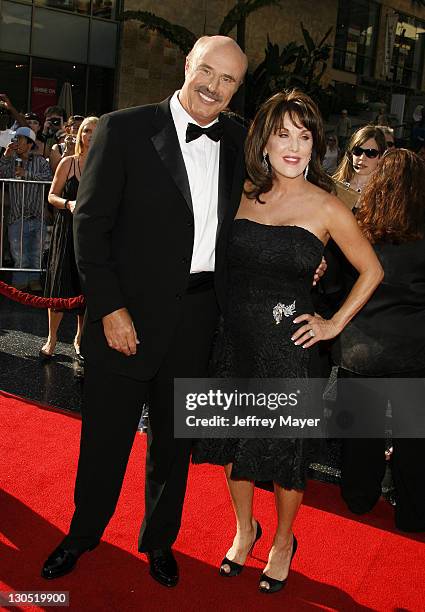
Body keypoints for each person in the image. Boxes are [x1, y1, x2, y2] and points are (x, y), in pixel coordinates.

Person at [40, 35, 251, 587]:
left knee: (173, 444)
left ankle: (159, 541)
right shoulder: (124, 127)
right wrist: (109, 309)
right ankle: (83, 534)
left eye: (228, 80)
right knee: (105, 436)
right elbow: (90, 226)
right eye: (208, 71)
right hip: (124, 315)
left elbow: (273, 200)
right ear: (188, 65)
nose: (214, 86)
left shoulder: (237, 138)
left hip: (201, 314)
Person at [193, 90, 383, 593]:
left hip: (288, 349)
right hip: (232, 341)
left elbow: (371, 269)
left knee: (284, 457)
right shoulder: (242, 193)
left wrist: (332, 323)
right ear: (265, 141)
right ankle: (243, 529)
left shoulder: (327, 205)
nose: (294, 146)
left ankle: (281, 540)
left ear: (317, 144)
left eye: (304, 136)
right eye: (284, 134)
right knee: (231, 446)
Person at [331, 149, 425, 532]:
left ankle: (358, 500)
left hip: (361, 349)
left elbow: (336, 286)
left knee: (359, 437)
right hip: (415, 351)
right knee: (415, 442)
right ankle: (414, 514)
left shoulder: (356, 227)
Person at [40, 117, 98, 360]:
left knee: (85, 290)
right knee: (60, 288)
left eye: (95, 132)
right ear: (80, 134)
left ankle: (79, 338)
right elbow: (51, 196)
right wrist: (68, 203)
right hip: (66, 232)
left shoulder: (105, 165)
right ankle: (51, 339)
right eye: (86, 131)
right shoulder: (68, 162)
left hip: (91, 237)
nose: (89, 136)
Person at [0, 126, 52, 291]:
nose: (16, 142)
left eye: (20, 139)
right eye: (15, 139)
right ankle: (20, 282)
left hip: (37, 215)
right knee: (18, 253)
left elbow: (49, 179)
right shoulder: (10, 159)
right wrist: (5, 156)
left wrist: (26, 174)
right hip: (17, 216)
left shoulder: (41, 161)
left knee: (36, 253)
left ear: (30, 144)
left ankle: (35, 280)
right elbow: (2, 175)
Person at [333, 125, 386, 198]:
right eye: (357, 151)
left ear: (381, 157)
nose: (362, 158)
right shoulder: (334, 187)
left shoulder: (385, 194)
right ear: (351, 153)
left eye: (371, 153)